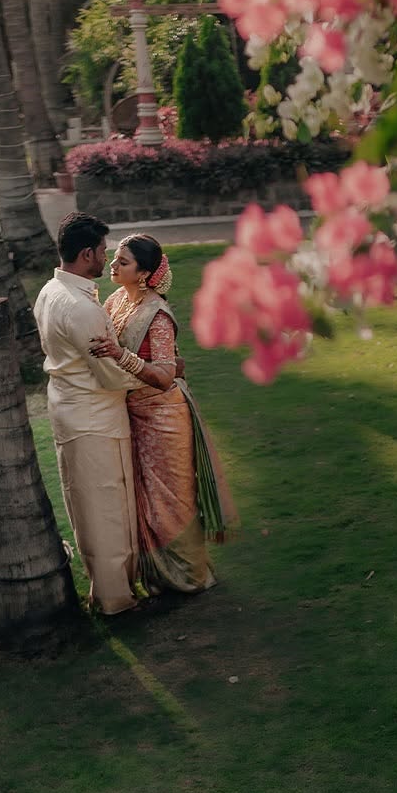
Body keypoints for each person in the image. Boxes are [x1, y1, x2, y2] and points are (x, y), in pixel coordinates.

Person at [89, 233, 237, 594]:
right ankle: (159, 578)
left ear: (143, 273)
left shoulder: (157, 315)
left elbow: (166, 375)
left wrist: (120, 356)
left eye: (123, 262)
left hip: (163, 417)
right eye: (115, 258)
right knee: (142, 495)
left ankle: (189, 577)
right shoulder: (115, 300)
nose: (113, 264)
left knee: (169, 500)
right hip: (132, 411)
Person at [33, 212, 141, 615]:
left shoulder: (49, 291)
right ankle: (116, 600)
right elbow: (112, 374)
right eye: (101, 253)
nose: (106, 260)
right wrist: (159, 375)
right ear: (85, 253)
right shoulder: (80, 307)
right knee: (107, 513)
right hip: (95, 420)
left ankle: (107, 593)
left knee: (88, 509)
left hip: (70, 412)